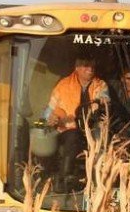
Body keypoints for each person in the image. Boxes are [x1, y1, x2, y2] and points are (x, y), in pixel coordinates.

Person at [43, 56, 109, 192]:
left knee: (101, 141)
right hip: (67, 130)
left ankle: (98, 183)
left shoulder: (100, 84)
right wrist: (51, 118)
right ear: (76, 68)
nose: (90, 69)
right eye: (85, 66)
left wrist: (101, 102)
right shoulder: (63, 85)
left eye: (92, 65)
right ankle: (64, 178)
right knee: (72, 137)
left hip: (93, 129)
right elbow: (47, 112)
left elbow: (105, 97)